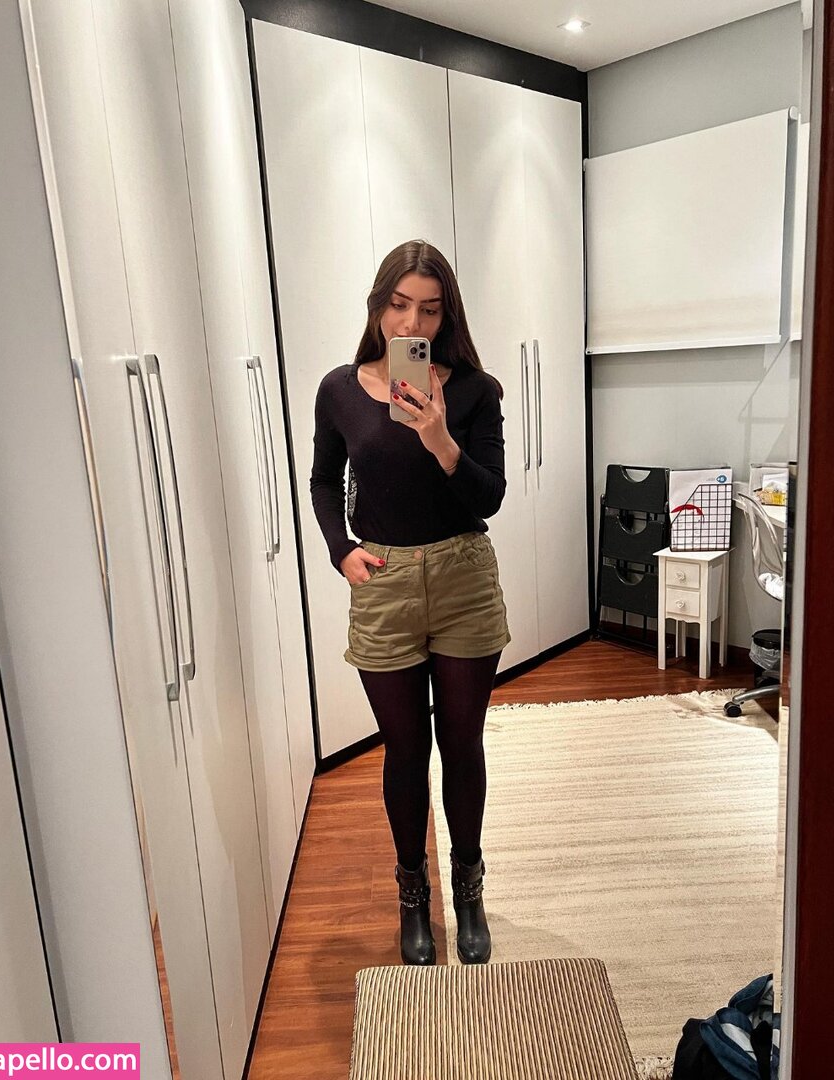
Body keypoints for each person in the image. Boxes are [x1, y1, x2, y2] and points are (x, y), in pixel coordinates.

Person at [310, 239, 510, 966]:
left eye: (428, 309)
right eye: (399, 306)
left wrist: (440, 439)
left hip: (462, 579)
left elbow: (489, 496)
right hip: (385, 581)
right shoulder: (339, 390)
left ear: (445, 315)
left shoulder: (476, 391)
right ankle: (413, 893)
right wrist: (340, 549)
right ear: (379, 306)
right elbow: (322, 478)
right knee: (405, 748)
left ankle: (468, 886)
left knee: (462, 742)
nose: (411, 324)